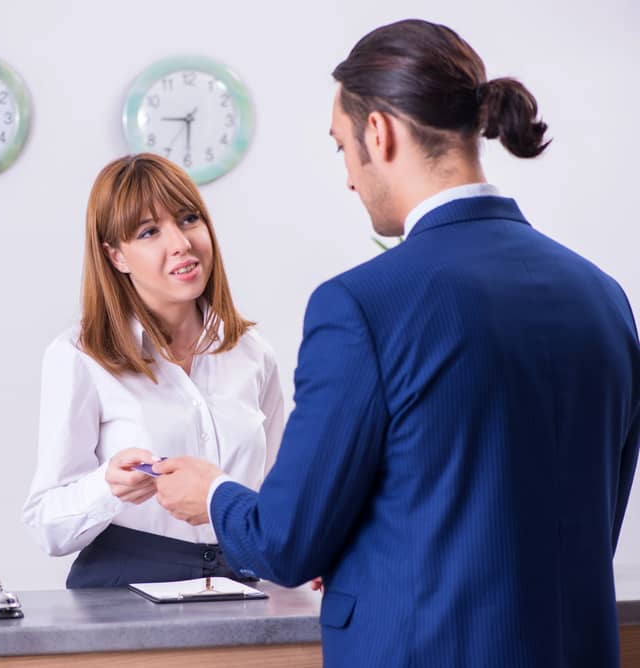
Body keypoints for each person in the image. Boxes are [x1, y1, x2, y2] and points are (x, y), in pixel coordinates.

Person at [154, 18, 640, 667]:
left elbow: (286, 543)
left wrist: (213, 494)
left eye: (342, 149)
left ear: (378, 132)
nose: (350, 178)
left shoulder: (361, 305)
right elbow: (565, 521)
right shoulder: (603, 297)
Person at [21, 152, 284, 588]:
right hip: (123, 589)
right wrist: (109, 487)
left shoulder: (253, 354)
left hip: (238, 584)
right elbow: (45, 524)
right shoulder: (79, 356)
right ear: (116, 256)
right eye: (149, 232)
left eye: (188, 219)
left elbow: (277, 498)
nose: (181, 243)